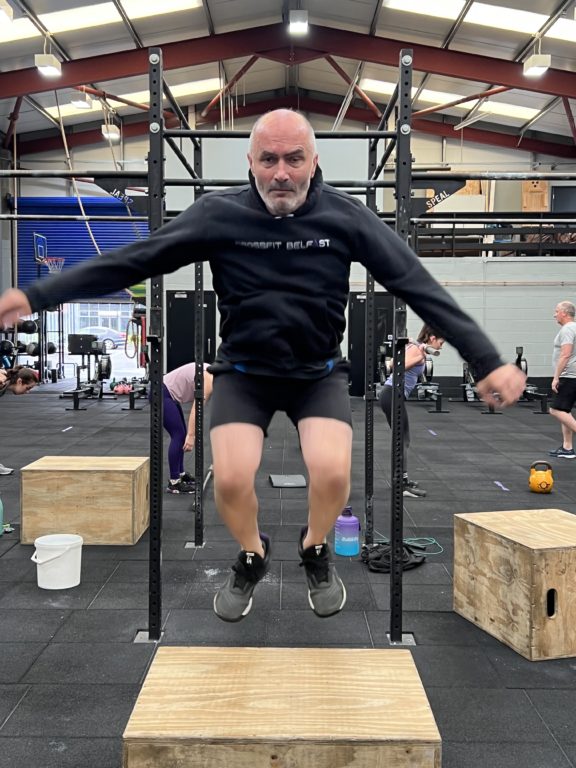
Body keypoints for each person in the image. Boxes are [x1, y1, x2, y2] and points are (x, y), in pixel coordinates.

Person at [0, 109, 526, 623]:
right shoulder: (217, 214)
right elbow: (131, 260)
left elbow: (418, 285)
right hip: (243, 374)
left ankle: (315, 548)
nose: (281, 173)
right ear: (250, 162)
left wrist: (485, 360)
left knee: (333, 472)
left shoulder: (346, 217)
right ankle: (252, 554)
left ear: (314, 161)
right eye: (269, 159)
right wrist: (36, 295)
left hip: (317, 374)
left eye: (294, 159)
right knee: (228, 479)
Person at [379, 324, 444, 498]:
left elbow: (393, 362)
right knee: (402, 440)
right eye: (441, 341)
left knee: (402, 439)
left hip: (392, 395)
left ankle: (401, 480)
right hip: (393, 394)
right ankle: (401, 484)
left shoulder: (414, 347)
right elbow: (394, 365)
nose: (441, 346)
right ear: (432, 339)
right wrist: (419, 357)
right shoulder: (417, 350)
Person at [160, 362, 214, 493]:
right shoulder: (209, 378)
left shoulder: (214, 373)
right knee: (179, 436)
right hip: (162, 393)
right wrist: (191, 435)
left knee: (180, 435)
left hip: (170, 394)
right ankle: (174, 483)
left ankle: (181, 474)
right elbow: (197, 408)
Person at [548, 300, 576, 459]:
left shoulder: (568, 329)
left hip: (569, 375)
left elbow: (565, 354)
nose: (555, 314)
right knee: (565, 410)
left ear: (564, 313)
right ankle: (567, 447)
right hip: (572, 374)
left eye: (557, 311)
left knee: (556, 409)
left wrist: (556, 377)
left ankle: (568, 447)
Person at [0, 365, 39, 474]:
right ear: (20, 381)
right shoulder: (1, 382)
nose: (27, 392)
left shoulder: (4, 384)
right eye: (28, 388)